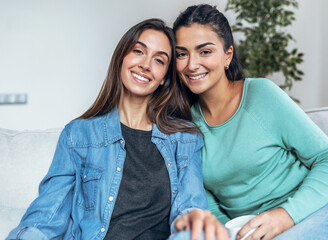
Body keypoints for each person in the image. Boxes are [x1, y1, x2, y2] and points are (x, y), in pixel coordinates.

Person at [6, 18, 228, 240]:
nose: (146, 64)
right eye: (138, 51)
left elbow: (191, 210)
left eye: (159, 60)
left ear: (164, 79)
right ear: (121, 58)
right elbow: (46, 217)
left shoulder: (185, 138)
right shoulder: (78, 135)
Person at [173, 4, 328, 240]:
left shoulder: (261, 95)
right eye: (182, 53)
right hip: (254, 231)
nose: (191, 64)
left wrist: (285, 215)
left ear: (227, 55)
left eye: (205, 51)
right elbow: (209, 203)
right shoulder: (187, 126)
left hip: (322, 211)